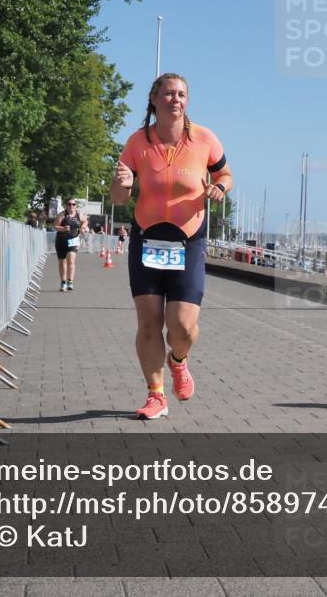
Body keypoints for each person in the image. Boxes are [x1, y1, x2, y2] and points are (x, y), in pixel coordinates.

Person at [110, 73, 233, 420]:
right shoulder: (137, 142)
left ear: (187, 101)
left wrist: (220, 189)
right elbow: (118, 198)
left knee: (182, 328)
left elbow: (225, 175)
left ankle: (178, 361)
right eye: (168, 93)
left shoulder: (204, 139)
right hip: (147, 240)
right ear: (154, 99)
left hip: (188, 243)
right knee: (149, 324)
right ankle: (156, 395)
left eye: (181, 94)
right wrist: (123, 183)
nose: (175, 99)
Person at [53, 199, 87, 291]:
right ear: (66, 206)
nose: (71, 206)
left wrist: (83, 227)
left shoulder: (78, 214)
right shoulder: (62, 215)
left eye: (73, 204)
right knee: (62, 262)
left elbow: (85, 221)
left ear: (75, 206)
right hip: (61, 241)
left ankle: (70, 282)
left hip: (73, 241)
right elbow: (55, 226)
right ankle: (63, 282)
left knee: (71, 260)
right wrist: (63, 228)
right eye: (69, 204)